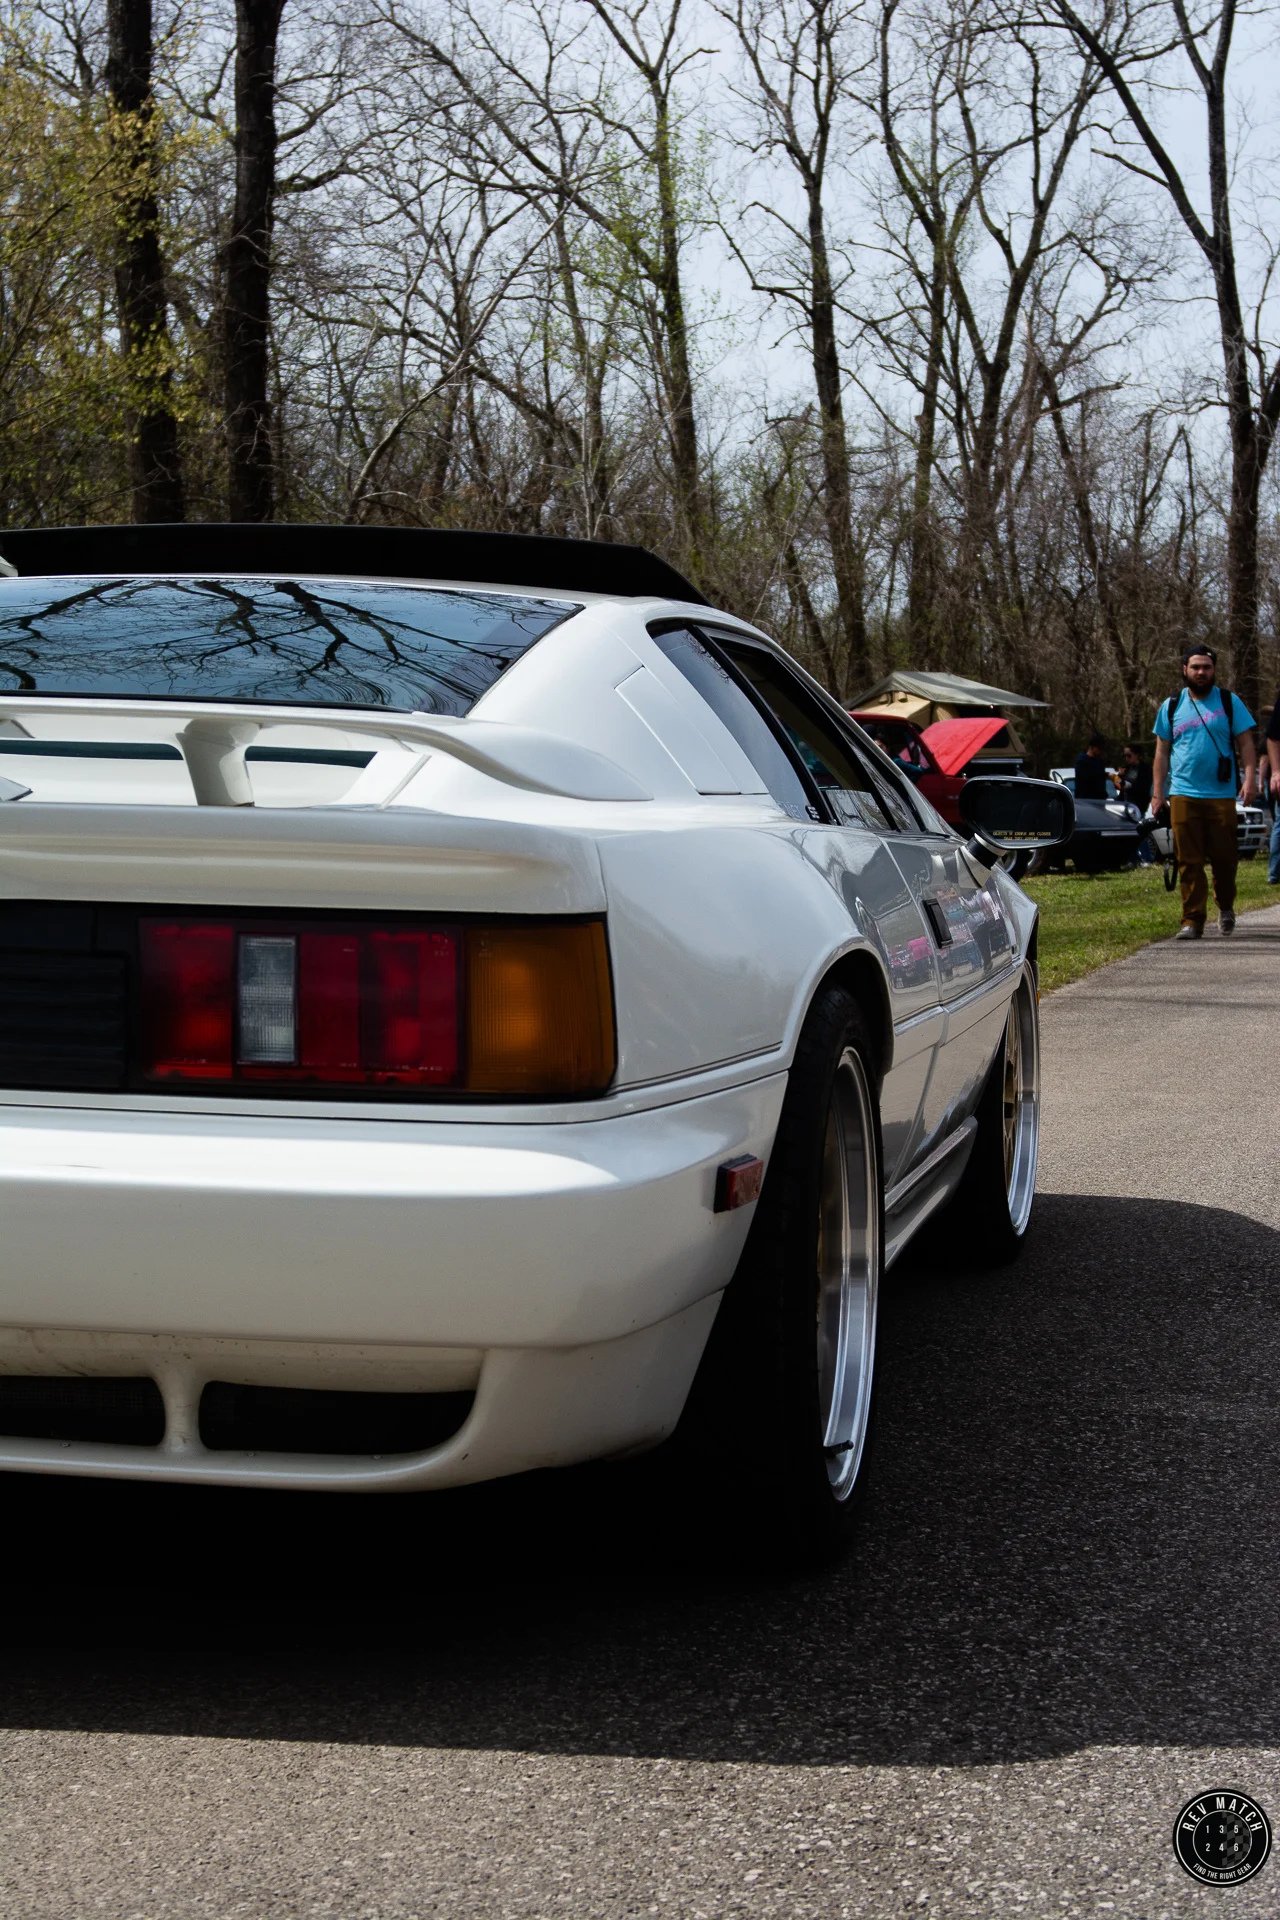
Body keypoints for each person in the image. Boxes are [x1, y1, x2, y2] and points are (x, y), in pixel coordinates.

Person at [1151, 644, 1257, 938]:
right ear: (1184, 669)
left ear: (1214, 670)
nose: (1201, 672)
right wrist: (1158, 793)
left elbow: (1246, 743)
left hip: (1221, 795)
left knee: (1225, 859)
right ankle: (1192, 920)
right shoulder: (1172, 705)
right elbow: (1161, 752)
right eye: (1195, 667)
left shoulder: (1229, 701)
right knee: (1188, 860)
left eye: (1206, 667)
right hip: (1183, 793)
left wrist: (1250, 779)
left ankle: (1226, 906)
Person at [1114, 744, 1155, 861]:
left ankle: (1147, 858)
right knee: (1128, 834)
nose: (1126, 759)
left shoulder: (1145, 769)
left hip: (1138, 804)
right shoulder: (1126, 769)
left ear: (1137, 755)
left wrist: (1129, 787)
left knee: (1140, 832)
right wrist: (1120, 777)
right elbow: (1119, 785)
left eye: (1129, 756)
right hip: (1125, 804)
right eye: (1124, 756)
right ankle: (1132, 858)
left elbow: (1143, 788)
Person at [1074, 732, 1110, 799]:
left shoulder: (1099, 761)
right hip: (1085, 799)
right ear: (1093, 747)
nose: (1101, 751)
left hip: (1100, 799)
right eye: (1099, 749)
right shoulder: (1082, 761)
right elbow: (1086, 778)